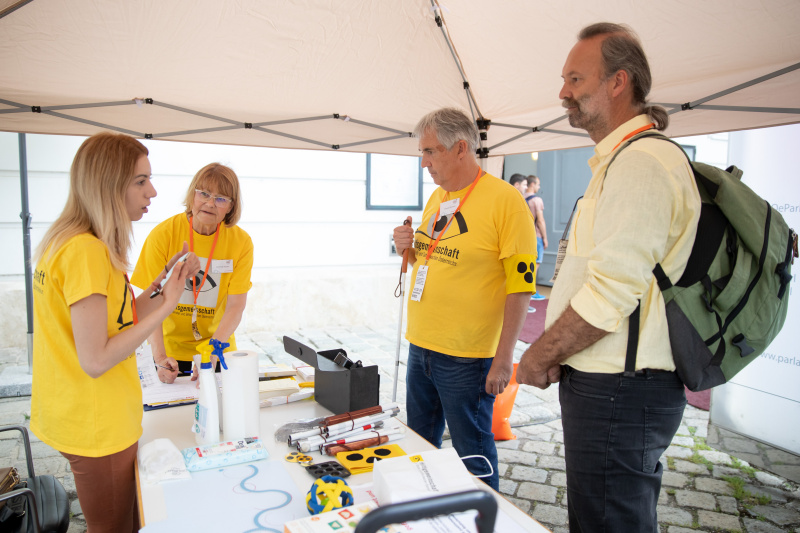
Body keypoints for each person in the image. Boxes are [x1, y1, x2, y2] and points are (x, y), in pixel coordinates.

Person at [516, 23, 701, 532]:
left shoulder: (641, 161)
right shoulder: (622, 159)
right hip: (613, 386)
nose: (562, 92)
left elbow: (610, 292)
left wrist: (540, 352)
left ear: (619, 82)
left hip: (620, 389)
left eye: (575, 78)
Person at [30, 132, 198, 532]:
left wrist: (161, 286)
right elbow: (97, 358)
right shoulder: (85, 251)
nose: (153, 191)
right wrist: (170, 306)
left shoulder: (75, 242)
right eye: (141, 181)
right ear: (107, 184)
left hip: (85, 414)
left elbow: (118, 319)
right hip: (96, 422)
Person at [392, 108, 537, 491]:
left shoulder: (506, 201)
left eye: (430, 152)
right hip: (422, 344)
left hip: (468, 356)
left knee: (471, 453)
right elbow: (427, 258)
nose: (424, 163)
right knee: (420, 444)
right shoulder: (438, 198)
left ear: (460, 149)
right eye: (422, 153)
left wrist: (504, 359)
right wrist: (405, 248)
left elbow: (521, 286)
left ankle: (484, 518)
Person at [131, 163, 254, 382]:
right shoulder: (163, 235)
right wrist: (159, 356)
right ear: (192, 195)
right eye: (204, 194)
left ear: (231, 207)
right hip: (169, 351)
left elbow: (236, 306)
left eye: (221, 198)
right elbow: (150, 301)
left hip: (217, 348)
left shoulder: (241, 242)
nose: (210, 203)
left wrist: (213, 351)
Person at [525, 175, 548, 301]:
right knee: (535, 264)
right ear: (532, 184)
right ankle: (531, 291)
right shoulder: (537, 200)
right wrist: (545, 237)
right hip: (536, 235)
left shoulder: (520, 197)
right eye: (538, 184)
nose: (539, 187)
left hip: (523, 235)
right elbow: (540, 220)